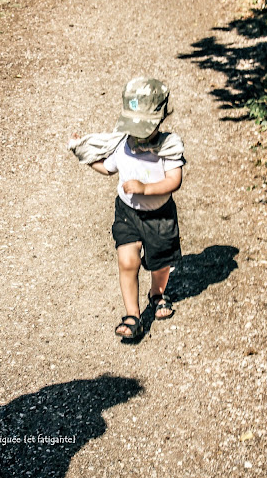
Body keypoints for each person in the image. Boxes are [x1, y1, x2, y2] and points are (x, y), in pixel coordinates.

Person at [69, 77, 185, 340]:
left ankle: (157, 293)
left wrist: (145, 188)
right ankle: (133, 315)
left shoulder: (168, 146)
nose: (137, 132)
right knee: (127, 261)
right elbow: (107, 168)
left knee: (160, 262)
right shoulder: (122, 143)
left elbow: (174, 181)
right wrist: (83, 154)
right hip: (127, 213)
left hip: (159, 216)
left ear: (159, 119)